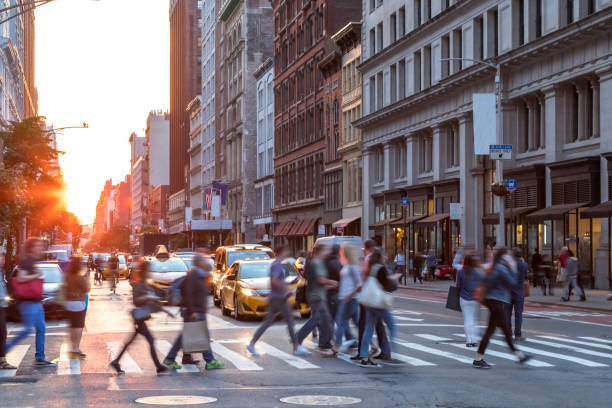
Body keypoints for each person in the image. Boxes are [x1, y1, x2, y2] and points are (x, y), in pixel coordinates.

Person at [247, 245, 311, 357]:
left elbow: (278, 281)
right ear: (281, 252)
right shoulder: (277, 265)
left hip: (277, 297)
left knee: (268, 322)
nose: (288, 253)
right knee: (290, 321)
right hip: (279, 299)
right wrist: (286, 287)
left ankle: (252, 344)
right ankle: (296, 347)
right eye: (286, 251)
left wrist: (288, 286)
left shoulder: (279, 264)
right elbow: (274, 280)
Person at [164, 255, 224, 370]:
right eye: (203, 260)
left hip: (197, 310)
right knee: (201, 335)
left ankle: (170, 358)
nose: (205, 261)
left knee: (187, 336)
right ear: (199, 263)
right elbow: (189, 294)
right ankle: (210, 360)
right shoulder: (194, 275)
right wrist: (192, 311)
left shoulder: (199, 275)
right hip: (194, 311)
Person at [473, 248, 530, 369]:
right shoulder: (501, 268)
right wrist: (513, 268)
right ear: (504, 257)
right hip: (497, 302)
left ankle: (519, 355)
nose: (510, 258)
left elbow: (486, 280)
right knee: (495, 331)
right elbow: (513, 282)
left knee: (502, 330)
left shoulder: (495, 267)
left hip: (494, 301)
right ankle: (478, 359)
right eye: (508, 256)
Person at [109, 261, 168, 375]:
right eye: (148, 270)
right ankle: (158, 366)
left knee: (131, 341)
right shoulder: (138, 284)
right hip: (139, 318)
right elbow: (136, 301)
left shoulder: (145, 283)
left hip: (141, 318)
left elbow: (155, 292)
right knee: (150, 340)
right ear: (145, 271)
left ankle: (116, 361)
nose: (150, 272)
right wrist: (147, 297)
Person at [5, 238, 56, 367]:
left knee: (41, 328)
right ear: (32, 248)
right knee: (27, 330)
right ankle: (3, 351)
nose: (40, 248)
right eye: (38, 246)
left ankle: (40, 357)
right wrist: (36, 275)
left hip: (35, 302)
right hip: (28, 303)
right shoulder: (26, 261)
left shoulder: (31, 261)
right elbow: (21, 278)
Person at [295, 244, 337, 356]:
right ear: (320, 251)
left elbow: (316, 281)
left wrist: (330, 286)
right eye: (325, 250)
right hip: (317, 296)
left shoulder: (315, 262)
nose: (327, 252)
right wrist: (333, 282)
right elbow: (320, 279)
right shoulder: (317, 262)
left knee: (324, 320)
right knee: (319, 319)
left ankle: (326, 343)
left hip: (317, 295)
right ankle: (298, 338)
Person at [358, 248, 396, 366]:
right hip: (379, 302)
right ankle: (392, 351)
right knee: (392, 326)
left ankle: (364, 355)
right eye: (385, 255)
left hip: (370, 302)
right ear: (381, 256)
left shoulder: (370, 267)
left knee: (368, 328)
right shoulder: (382, 268)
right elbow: (388, 286)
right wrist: (393, 280)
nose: (386, 257)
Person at [354, 240, 389, 361]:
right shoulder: (379, 262)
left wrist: (359, 289)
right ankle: (385, 351)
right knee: (379, 324)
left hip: (369, 297)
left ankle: (362, 353)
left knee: (365, 324)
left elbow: (364, 278)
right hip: (378, 297)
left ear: (367, 248)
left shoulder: (368, 260)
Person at [332, 243, 362, 353]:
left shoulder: (353, 267)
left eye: (342, 249)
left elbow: (359, 285)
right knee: (358, 323)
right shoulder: (346, 264)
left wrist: (348, 296)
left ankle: (337, 346)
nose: (340, 251)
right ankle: (372, 344)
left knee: (341, 321)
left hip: (349, 299)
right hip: (345, 298)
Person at [64, 256, 90, 359]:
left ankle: (72, 348)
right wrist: (86, 278)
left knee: (72, 327)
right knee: (78, 327)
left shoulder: (67, 276)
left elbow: (64, 287)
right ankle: (76, 349)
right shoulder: (80, 277)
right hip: (79, 303)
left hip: (68, 303)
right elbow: (87, 289)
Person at [456, 253, 483, 348]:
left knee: (467, 319)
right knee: (474, 320)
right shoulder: (478, 272)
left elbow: (458, 286)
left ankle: (468, 340)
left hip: (464, 298)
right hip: (475, 298)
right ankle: (474, 340)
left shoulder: (460, 272)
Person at [506, 248, 527, 341]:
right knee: (518, 314)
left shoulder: (508, 265)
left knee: (507, 314)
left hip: (508, 292)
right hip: (519, 292)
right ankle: (518, 334)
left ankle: (508, 334)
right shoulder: (524, 265)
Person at [0, 252, 16, 370]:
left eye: (3, 256)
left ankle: (2, 360)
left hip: (2, 306)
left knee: (2, 333)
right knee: (2, 333)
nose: (3, 258)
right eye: (1, 256)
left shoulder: (2, 271)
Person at [324, 244, 343, 331]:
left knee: (332, 317)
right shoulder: (335, 262)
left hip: (330, 292)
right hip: (334, 292)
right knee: (338, 317)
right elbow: (341, 277)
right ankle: (349, 337)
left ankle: (326, 339)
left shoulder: (328, 261)